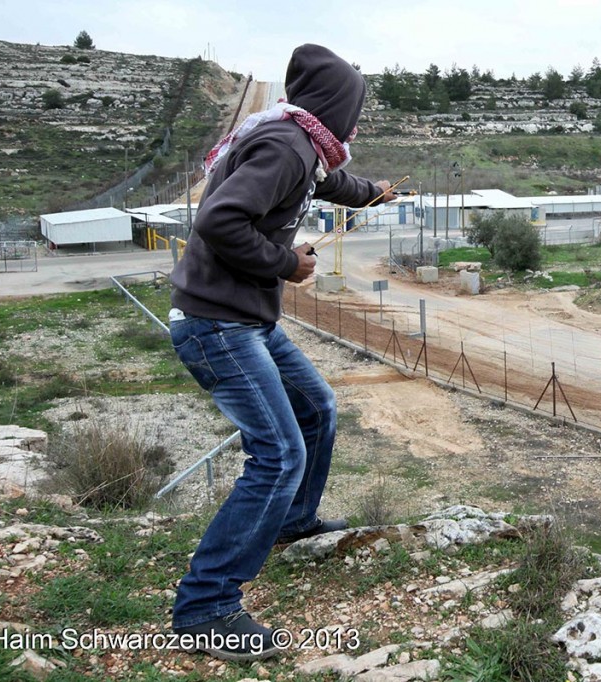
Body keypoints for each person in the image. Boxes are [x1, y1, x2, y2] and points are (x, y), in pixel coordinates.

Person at [167, 43, 394, 661]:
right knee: (278, 451)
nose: (356, 123)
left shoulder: (300, 142)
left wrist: (372, 192)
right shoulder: (286, 147)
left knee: (316, 407)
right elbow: (220, 220)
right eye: (355, 110)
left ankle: (292, 521)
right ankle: (206, 606)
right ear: (334, 107)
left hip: (242, 318)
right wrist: (287, 263)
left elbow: (329, 180)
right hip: (217, 325)